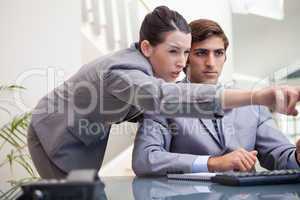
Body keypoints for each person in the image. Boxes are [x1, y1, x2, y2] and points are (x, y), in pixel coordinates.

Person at [28, 6, 299, 179]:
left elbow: (281, 155)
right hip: (56, 133)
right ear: (146, 48)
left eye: (185, 52)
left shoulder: (154, 76)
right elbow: (166, 102)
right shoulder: (125, 73)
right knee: (81, 194)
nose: (183, 62)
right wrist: (257, 96)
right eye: (195, 53)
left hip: (90, 132)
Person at [132, 19, 300, 176]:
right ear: (185, 58)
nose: (211, 62)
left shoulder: (252, 103)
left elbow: (281, 156)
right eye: (201, 53)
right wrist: (212, 163)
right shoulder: (162, 100)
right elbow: (145, 159)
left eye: (218, 53)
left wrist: (297, 156)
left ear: (225, 57)